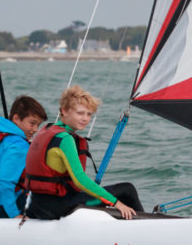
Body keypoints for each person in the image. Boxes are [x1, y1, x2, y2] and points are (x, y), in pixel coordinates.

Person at [25, 85, 144, 220]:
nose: (85, 118)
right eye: (80, 113)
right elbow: (80, 180)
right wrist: (116, 203)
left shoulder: (47, 129)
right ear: (64, 111)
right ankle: (148, 227)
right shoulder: (64, 139)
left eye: (89, 114)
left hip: (38, 205)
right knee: (127, 190)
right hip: (57, 207)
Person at [0, 95, 47, 218]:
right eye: (32, 123)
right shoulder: (19, 146)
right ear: (16, 118)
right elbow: (5, 184)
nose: (35, 129)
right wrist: (15, 216)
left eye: (38, 125)